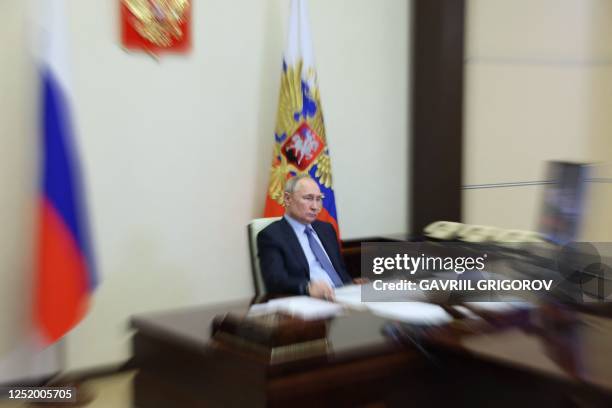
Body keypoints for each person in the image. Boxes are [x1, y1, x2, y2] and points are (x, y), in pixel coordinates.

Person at [257, 175, 352, 299]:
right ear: (287, 199)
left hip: (346, 295)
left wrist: (352, 283)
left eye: (318, 199)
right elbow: (275, 280)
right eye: (308, 198)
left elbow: (340, 270)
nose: (315, 206)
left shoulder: (326, 229)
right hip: (311, 300)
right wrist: (307, 287)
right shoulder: (272, 235)